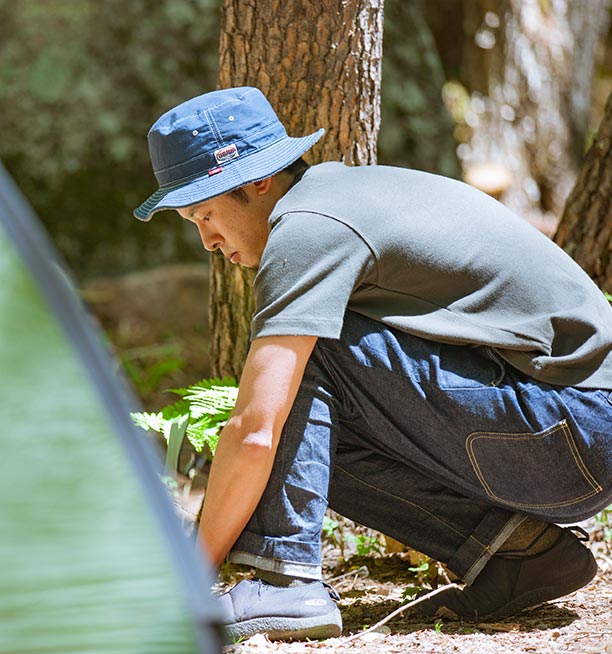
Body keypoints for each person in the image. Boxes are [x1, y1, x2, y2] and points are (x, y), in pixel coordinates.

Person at [134, 86, 612, 642]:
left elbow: (256, 429)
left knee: (308, 359)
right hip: (572, 429)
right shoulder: (338, 199)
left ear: (259, 180)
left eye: (206, 214)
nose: (208, 242)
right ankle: (517, 553)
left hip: (575, 425)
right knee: (315, 416)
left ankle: (283, 584)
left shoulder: (307, 228)